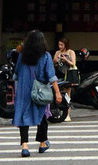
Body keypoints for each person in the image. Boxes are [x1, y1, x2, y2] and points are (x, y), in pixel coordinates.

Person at [13, 30, 62, 158]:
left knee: (23, 117)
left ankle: (25, 146)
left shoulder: (22, 55)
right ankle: (42, 143)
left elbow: (16, 73)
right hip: (39, 90)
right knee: (42, 115)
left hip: (24, 90)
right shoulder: (45, 56)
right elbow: (51, 76)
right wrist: (57, 93)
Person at [52, 37, 77, 122]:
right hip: (58, 74)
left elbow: (73, 64)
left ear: (65, 45)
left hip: (68, 75)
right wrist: (55, 60)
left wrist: (65, 59)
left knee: (67, 94)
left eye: (61, 45)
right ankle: (59, 113)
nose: (60, 46)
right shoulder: (57, 52)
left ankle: (67, 114)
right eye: (59, 45)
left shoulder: (70, 52)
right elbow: (53, 64)